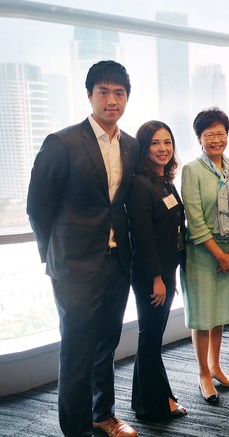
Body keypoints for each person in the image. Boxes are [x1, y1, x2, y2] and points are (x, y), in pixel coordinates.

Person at [26, 60, 139, 437]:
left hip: (115, 262)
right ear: (89, 95)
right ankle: (73, 429)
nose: (112, 100)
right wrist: (56, 253)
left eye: (119, 93)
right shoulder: (62, 143)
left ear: (127, 97)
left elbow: (120, 204)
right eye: (104, 92)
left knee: (106, 343)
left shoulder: (131, 145)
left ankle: (102, 414)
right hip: (74, 267)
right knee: (76, 350)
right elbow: (38, 207)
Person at [180, 108, 229, 405]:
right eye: (209, 135)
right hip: (202, 254)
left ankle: (216, 366)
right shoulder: (192, 170)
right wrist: (220, 255)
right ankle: (203, 374)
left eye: (221, 133)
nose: (216, 139)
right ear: (199, 138)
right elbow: (194, 220)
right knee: (203, 316)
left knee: (218, 314)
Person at [127, 121, 187, 421]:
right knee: (150, 338)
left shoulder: (164, 180)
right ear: (144, 147)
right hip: (152, 273)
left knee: (150, 338)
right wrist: (157, 278)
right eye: (155, 143)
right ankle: (154, 406)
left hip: (166, 269)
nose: (163, 148)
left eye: (167, 142)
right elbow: (143, 235)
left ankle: (148, 401)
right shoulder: (140, 183)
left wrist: (169, 274)